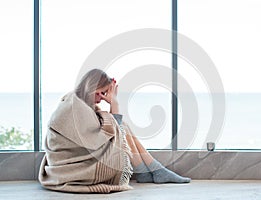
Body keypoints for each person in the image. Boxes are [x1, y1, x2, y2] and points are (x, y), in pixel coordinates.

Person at [39, 69, 190, 194]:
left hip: (79, 155)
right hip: (72, 163)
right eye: (103, 93)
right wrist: (114, 103)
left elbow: (107, 132)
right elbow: (99, 139)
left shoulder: (78, 102)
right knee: (121, 126)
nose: (102, 98)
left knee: (121, 126)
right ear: (93, 89)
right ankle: (152, 170)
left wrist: (113, 108)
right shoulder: (76, 107)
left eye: (106, 94)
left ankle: (149, 171)